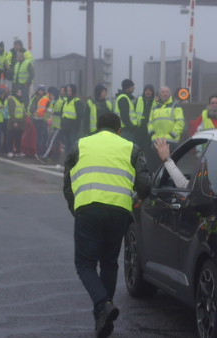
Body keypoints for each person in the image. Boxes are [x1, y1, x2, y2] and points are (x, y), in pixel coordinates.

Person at [62, 112, 152, 338]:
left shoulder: (80, 145)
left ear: (97, 128)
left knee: (85, 264)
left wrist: (76, 208)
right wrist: (138, 197)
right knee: (110, 264)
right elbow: (144, 184)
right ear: (119, 130)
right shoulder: (131, 147)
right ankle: (103, 319)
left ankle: (103, 305)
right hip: (119, 211)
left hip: (88, 210)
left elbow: (67, 183)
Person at [42, 87, 65, 161]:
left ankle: (45, 156)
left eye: (52, 95)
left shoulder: (60, 102)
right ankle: (54, 156)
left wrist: (53, 113)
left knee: (51, 141)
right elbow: (49, 112)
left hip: (59, 126)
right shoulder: (53, 102)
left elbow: (63, 113)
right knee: (59, 141)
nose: (51, 97)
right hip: (55, 126)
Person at [61, 84, 83, 157]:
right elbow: (63, 114)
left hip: (72, 128)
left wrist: (75, 127)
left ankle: (73, 160)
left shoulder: (77, 101)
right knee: (67, 146)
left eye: (69, 90)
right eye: (67, 90)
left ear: (73, 90)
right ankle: (67, 161)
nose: (68, 92)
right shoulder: (65, 101)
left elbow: (79, 116)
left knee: (73, 146)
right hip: (65, 128)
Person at [30, 85, 51, 157]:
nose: (40, 91)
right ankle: (39, 153)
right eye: (39, 90)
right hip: (38, 120)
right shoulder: (37, 98)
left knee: (44, 137)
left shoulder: (40, 98)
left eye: (41, 90)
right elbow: (32, 108)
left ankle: (43, 152)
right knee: (41, 137)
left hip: (42, 120)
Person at [134, 85, 155, 152]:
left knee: (148, 149)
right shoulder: (139, 99)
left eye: (149, 90)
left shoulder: (155, 101)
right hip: (139, 129)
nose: (148, 92)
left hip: (149, 129)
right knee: (137, 149)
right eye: (146, 90)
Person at [7, 86, 27, 157]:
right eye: (19, 93)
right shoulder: (12, 100)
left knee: (18, 138)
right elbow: (11, 112)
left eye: (20, 93)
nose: (20, 94)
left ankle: (18, 152)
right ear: (15, 93)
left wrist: (25, 114)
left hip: (20, 122)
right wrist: (14, 121)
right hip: (14, 122)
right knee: (11, 137)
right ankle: (10, 151)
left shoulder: (21, 100)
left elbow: (22, 109)